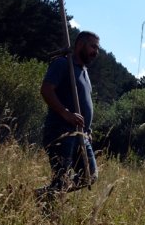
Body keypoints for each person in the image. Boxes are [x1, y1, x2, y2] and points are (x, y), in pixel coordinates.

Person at [35, 31, 100, 203]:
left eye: (97, 48)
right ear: (80, 44)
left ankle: (44, 194)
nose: (96, 51)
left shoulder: (84, 72)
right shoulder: (63, 64)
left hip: (81, 135)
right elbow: (46, 90)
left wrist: (88, 130)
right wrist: (65, 113)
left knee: (90, 176)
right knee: (62, 178)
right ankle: (47, 216)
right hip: (61, 130)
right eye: (93, 46)